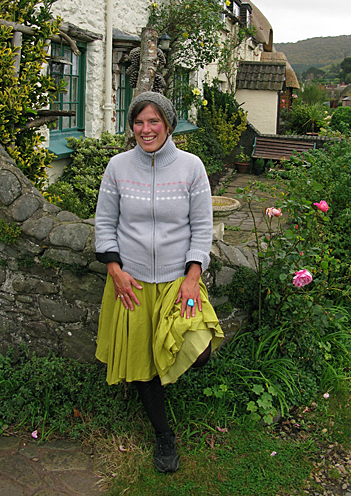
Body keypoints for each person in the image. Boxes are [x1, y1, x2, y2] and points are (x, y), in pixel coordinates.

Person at [94, 91, 224, 473]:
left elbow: (202, 228)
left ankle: (170, 371)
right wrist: (114, 269)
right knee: (143, 364)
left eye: (154, 122)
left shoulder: (191, 167)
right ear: (131, 125)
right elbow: (104, 223)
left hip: (177, 281)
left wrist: (192, 275)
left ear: (168, 125)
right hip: (130, 283)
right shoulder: (117, 166)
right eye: (138, 122)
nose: (145, 129)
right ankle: (164, 436)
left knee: (200, 352)